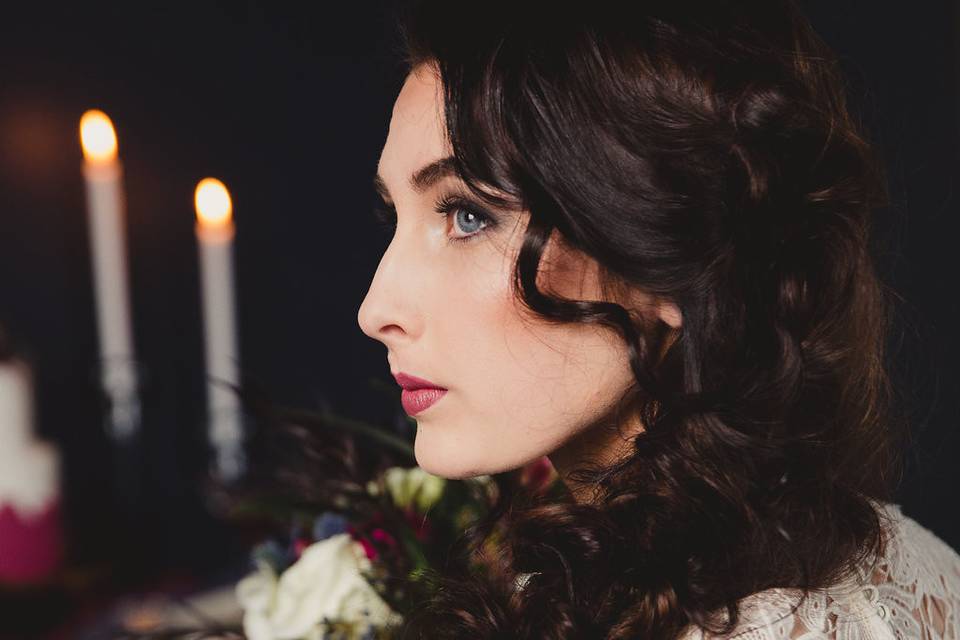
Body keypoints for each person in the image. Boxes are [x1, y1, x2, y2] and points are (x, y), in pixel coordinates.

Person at [356, 0, 960, 638]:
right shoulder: (898, 560)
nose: (375, 311)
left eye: (468, 215)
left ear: (674, 258)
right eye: (394, 216)